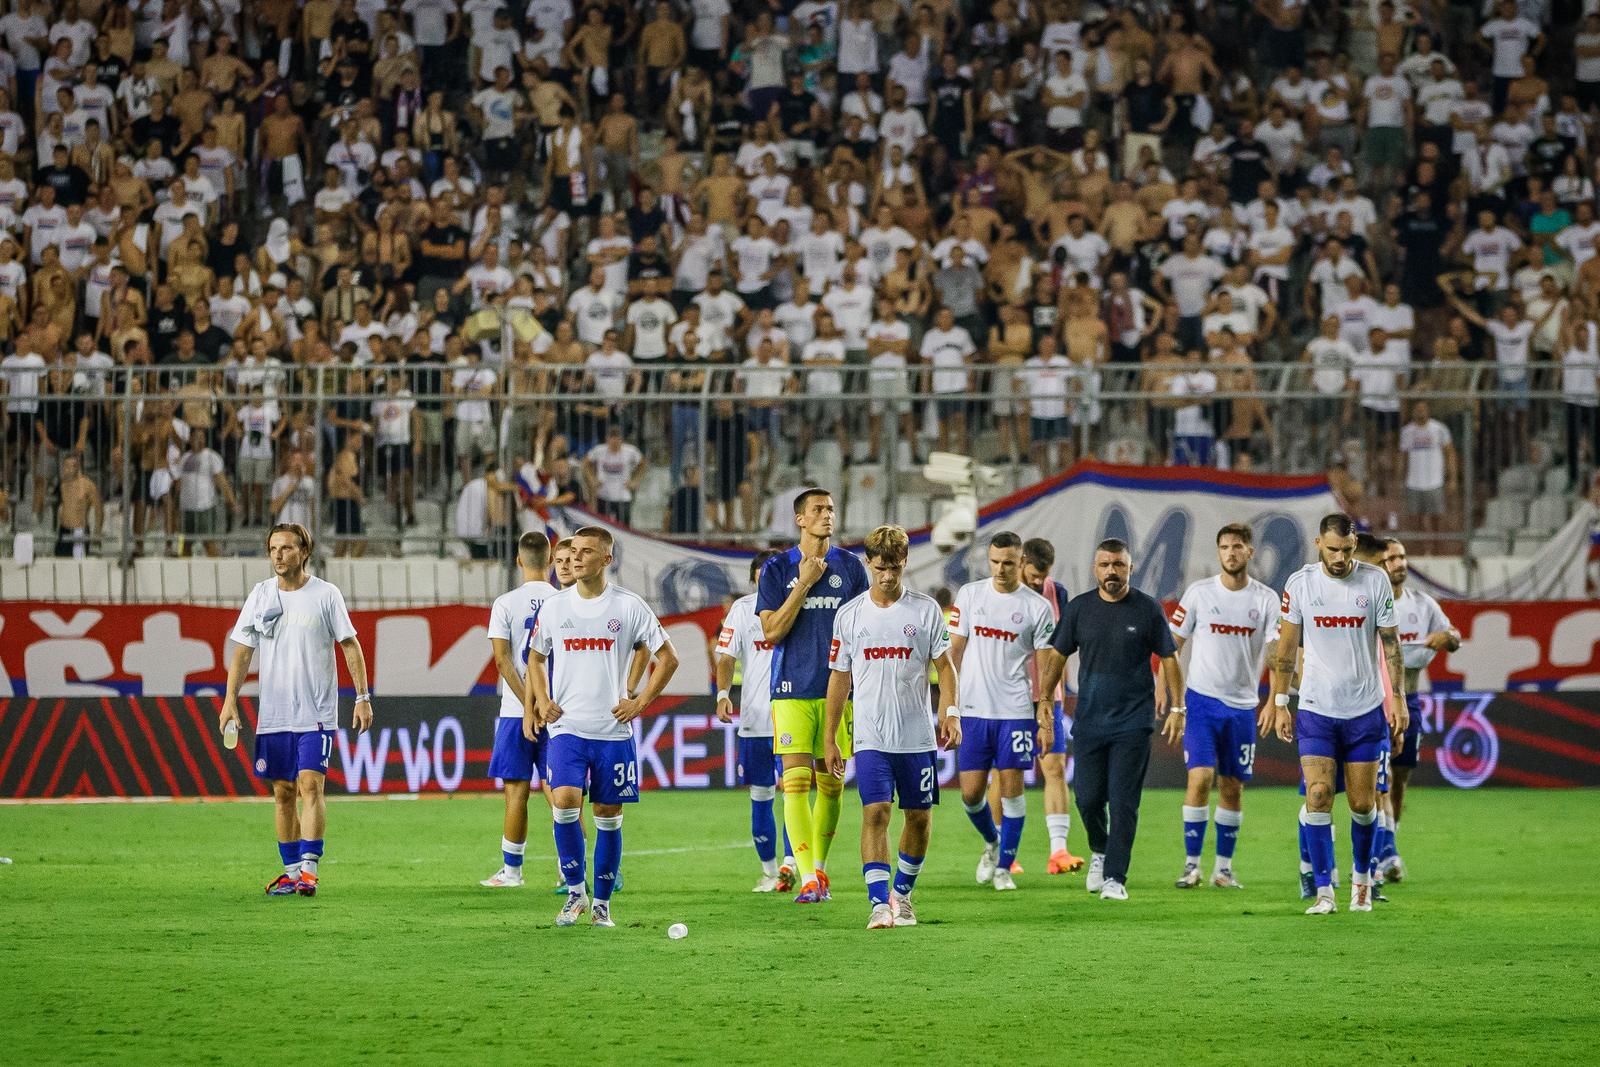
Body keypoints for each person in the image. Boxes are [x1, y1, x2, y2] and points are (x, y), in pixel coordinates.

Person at [525, 525, 680, 929]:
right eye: (573, 551)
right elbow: (536, 658)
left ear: (607, 559)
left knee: (608, 815)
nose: (575, 558)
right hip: (567, 729)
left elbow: (668, 658)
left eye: (586, 552)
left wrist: (640, 701)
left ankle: (603, 905)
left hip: (612, 733)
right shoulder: (555, 608)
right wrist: (542, 700)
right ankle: (575, 893)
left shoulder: (629, 607)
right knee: (563, 801)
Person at [219, 523, 374, 897]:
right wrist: (229, 701)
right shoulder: (260, 596)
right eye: (273, 548)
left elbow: (350, 646)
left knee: (310, 785)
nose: (278, 555)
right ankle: (290, 872)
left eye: (286, 548)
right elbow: (242, 650)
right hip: (274, 714)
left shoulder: (325, 595)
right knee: (283, 792)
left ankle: (308, 868)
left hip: (316, 712)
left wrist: (362, 696)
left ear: (304, 552)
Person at [1265, 513, 1408, 915]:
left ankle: (1361, 882)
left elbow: (1392, 645)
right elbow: (1286, 649)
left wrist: (1397, 696)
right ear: (1318, 544)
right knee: (1319, 795)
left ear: (1354, 544)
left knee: (1364, 806)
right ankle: (1324, 890)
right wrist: (1279, 703)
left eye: (1346, 550)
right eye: (1333, 550)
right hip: (1316, 709)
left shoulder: (1375, 581)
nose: (1341, 559)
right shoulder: (1301, 584)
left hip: (1364, 709)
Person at [823, 524, 959, 929]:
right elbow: (839, 676)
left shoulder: (926, 610)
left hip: (916, 735)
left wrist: (950, 713)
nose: (887, 576)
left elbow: (945, 667)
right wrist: (830, 736)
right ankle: (879, 904)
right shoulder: (849, 616)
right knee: (876, 812)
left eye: (895, 568)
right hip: (871, 735)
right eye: (880, 568)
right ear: (868, 564)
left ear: (905, 563)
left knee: (918, 818)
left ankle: (902, 894)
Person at [1039, 538, 1184, 901]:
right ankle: (1100, 852)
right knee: (1087, 799)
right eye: (1105, 565)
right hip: (1089, 721)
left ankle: (1115, 878)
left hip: (1134, 723)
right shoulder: (1080, 609)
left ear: (1130, 569)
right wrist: (1044, 699)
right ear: (1095, 569)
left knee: (1123, 802)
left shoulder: (1148, 610)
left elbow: (1169, 658)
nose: (1112, 572)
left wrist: (1178, 708)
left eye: (1118, 565)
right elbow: (1056, 655)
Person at [755, 487, 870, 903]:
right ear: (799, 519)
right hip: (790, 690)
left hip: (840, 690)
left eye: (831, 509)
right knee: (795, 783)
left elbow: (863, 628)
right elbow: (771, 632)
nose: (827, 515)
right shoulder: (777, 568)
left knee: (833, 785)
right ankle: (805, 877)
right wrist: (803, 584)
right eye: (818, 510)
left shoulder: (851, 568)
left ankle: (818, 868)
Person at [1165, 524, 1280, 890]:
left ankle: (1224, 869)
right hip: (1202, 701)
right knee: (1199, 778)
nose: (1230, 553)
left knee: (1232, 787)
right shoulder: (1200, 593)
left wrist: (1276, 702)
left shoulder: (1266, 600)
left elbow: (1279, 656)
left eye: (1238, 546)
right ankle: (1191, 864)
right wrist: (1168, 695)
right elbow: (1172, 644)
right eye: (1225, 547)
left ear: (1250, 552)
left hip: (1243, 707)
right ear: (1218, 552)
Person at [948, 531, 1056, 892]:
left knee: (1012, 791)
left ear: (1022, 562)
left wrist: (1046, 712)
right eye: (994, 562)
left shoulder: (1037, 608)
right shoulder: (970, 595)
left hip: (1014, 710)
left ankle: (1005, 867)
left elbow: (1045, 667)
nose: (1000, 569)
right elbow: (954, 654)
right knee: (971, 794)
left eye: (1008, 563)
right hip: (974, 710)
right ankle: (992, 844)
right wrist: (949, 705)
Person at [1375, 538, 1458, 883]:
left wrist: (1446, 638)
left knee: (1400, 778)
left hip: (1410, 698)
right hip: (1378, 700)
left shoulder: (1423, 605)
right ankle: (1387, 852)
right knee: (1383, 777)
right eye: (1390, 558)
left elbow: (1453, 635)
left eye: (1402, 556)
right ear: (1378, 566)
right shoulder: (1371, 606)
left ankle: (1386, 844)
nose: (1399, 563)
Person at [480, 531, 559, 889]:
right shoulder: (565, 601)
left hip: (515, 713)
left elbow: (503, 660)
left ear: (518, 560)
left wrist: (527, 704)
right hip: (557, 712)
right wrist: (543, 704)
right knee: (561, 792)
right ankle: (568, 870)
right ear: (553, 558)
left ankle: (512, 873)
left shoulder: (505, 603)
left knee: (516, 792)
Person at [715, 549, 793, 892]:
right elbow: (726, 657)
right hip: (755, 721)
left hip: (793, 715)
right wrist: (721, 694)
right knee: (761, 794)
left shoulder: (800, 605)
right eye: (764, 575)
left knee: (795, 794)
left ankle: (798, 868)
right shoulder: (742, 610)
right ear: (754, 579)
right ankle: (770, 870)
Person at [1017, 537, 1084, 875]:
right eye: (1032, 574)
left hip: (1048, 697)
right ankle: (1005, 853)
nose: (1036, 581)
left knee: (1055, 766)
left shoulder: (1057, 592)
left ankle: (1058, 851)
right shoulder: (1000, 594)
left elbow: (1063, 645)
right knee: (1007, 772)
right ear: (1020, 561)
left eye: (1042, 575)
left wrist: (1062, 689)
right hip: (1009, 698)